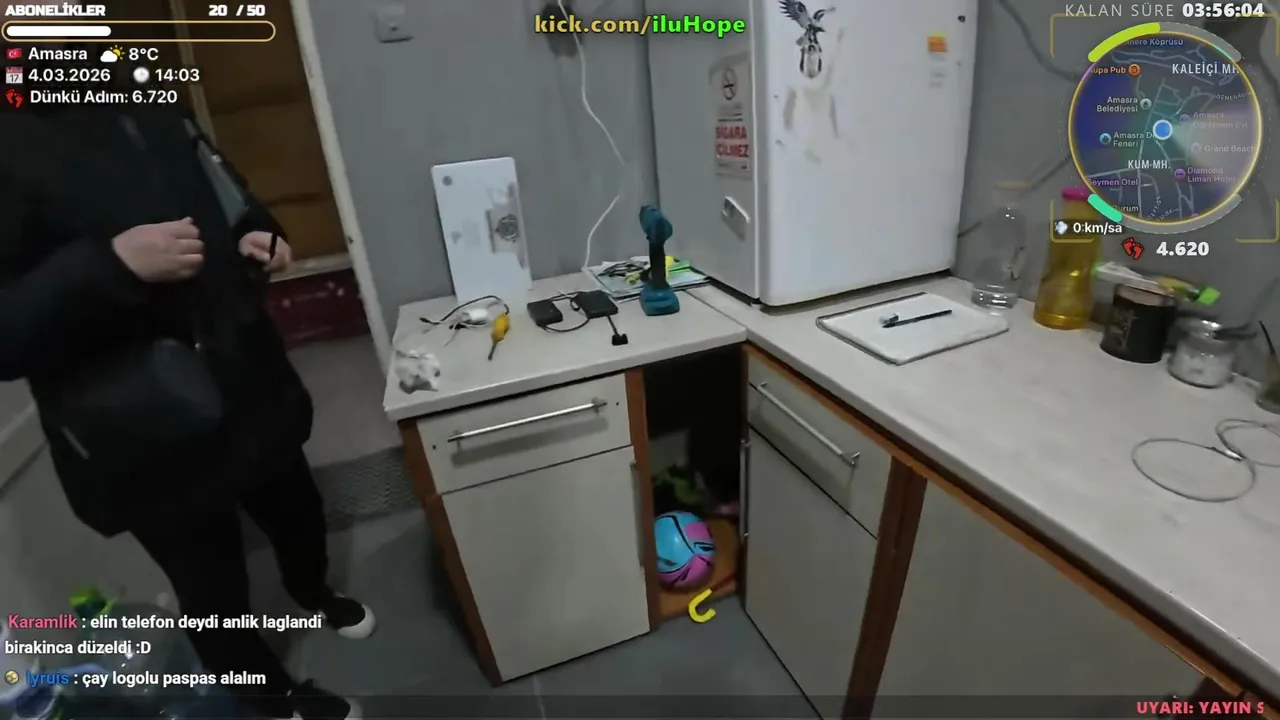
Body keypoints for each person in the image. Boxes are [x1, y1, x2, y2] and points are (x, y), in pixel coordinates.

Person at [0, 42, 373, 720]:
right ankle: (275, 703)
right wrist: (108, 264)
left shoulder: (137, 82)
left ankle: (313, 592)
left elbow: (220, 187)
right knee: (211, 589)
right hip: (145, 423)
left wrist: (255, 231)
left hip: (244, 376)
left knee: (298, 512)